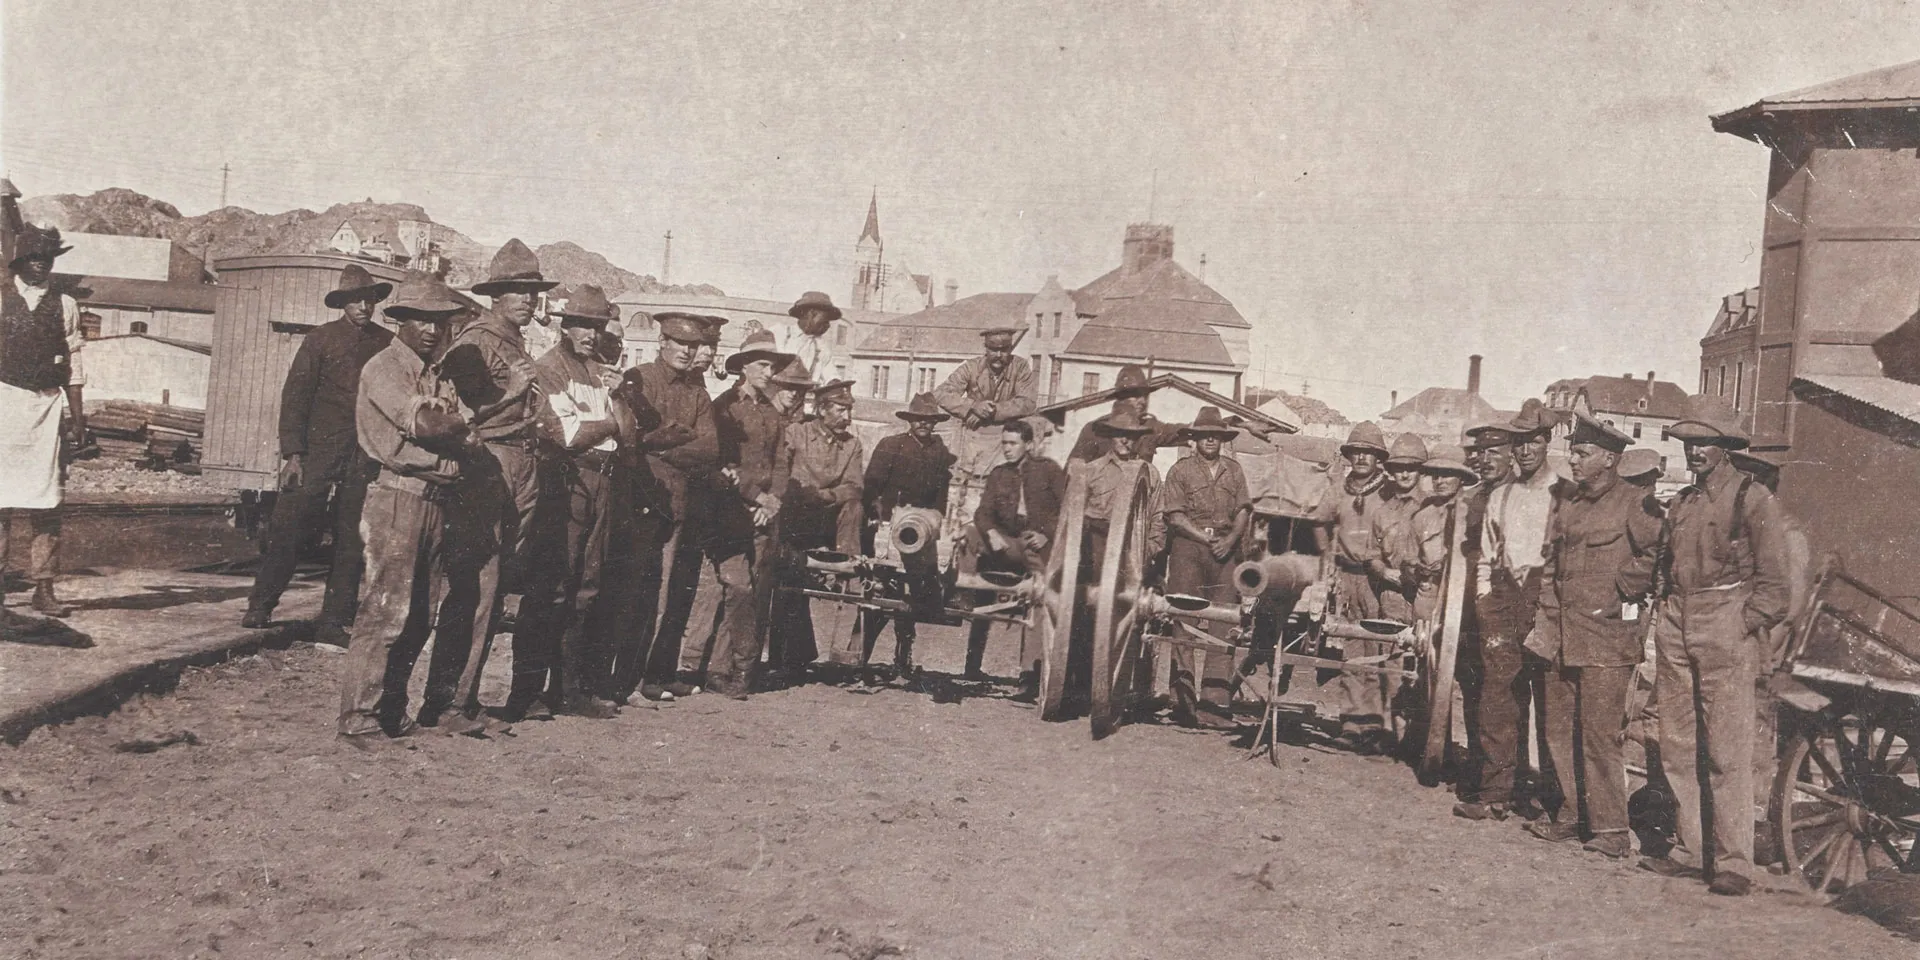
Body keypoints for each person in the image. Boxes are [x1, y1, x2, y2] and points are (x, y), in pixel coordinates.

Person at [1639, 397, 1789, 896]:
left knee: (1727, 749)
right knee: (1679, 745)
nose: (1695, 451)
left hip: (1725, 621)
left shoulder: (1753, 498)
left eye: (1704, 442)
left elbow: (1775, 586)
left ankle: (1733, 862)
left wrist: (1740, 623)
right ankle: (1690, 849)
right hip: (1677, 619)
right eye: (1688, 443)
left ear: (1725, 448)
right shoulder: (1683, 501)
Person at [335, 274, 483, 743]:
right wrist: (461, 425)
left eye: (439, 320)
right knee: (385, 611)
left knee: (419, 615)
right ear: (399, 320)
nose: (431, 329)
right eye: (419, 318)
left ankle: (390, 710)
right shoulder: (385, 368)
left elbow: (457, 431)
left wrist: (457, 427)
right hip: (397, 496)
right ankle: (359, 717)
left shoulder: (438, 374)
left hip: (436, 498)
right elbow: (426, 424)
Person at [1523, 414, 1660, 860]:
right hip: (1561, 635)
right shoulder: (1571, 504)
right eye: (1573, 452)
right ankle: (1569, 814)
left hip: (1606, 638)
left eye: (1581, 454)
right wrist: (1545, 620)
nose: (1573, 460)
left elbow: (1661, 551)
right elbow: (1550, 566)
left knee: (1600, 735)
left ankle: (1611, 828)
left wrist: (1625, 586)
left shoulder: (1636, 503)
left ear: (1609, 458)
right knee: (1558, 729)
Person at [243, 264, 394, 642]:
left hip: (363, 455)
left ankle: (333, 621)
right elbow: (295, 399)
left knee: (350, 539)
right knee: (289, 529)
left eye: (369, 299)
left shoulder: (387, 344)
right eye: (355, 300)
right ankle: (260, 606)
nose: (363, 306)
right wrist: (293, 454)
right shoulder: (320, 340)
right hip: (317, 453)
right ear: (342, 303)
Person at [438, 238, 557, 713]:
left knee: (498, 585)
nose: (527, 300)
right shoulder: (474, 343)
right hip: (490, 464)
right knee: (479, 586)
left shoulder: (514, 341)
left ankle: (463, 700)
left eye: (532, 292)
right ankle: (450, 702)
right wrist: (511, 390)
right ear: (495, 295)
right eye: (516, 291)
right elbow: (463, 413)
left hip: (522, 464)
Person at [509, 285, 631, 720]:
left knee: (588, 588)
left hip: (603, 483)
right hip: (567, 483)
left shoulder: (602, 373)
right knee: (552, 588)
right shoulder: (550, 369)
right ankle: (524, 693)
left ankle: (568, 689)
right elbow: (567, 433)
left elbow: (629, 434)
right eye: (581, 325)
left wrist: (616, 405)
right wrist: (612, 421)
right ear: (565, 325)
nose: (590, 334)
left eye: (597, 326)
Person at [605, 312, 721, 704]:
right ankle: (629, 681)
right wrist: (662, 441)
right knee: (640, 590)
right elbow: (631, 439)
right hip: (644, 501)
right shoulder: (641, 379)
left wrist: (663, 443)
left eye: (692, 345)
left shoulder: (698, 394)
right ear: (662, 342)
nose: (687, 352)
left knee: (675, 590)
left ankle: (657, 674)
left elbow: (710, 449)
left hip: (682, 502)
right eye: (679, 343)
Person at [1456, 399, 1561, 819]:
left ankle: (1550, 798)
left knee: (1550, 702)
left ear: (1547, 441)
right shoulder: (1501, 496)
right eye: (1518, 443)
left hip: (1545, 598)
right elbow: (1484, 557)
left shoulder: (1564, 493)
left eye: (1533, 441)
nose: (1524, 451)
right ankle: (1496, 792)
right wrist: (1484, 598)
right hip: (1502, 600)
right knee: (1498, 698)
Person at [698, 329, 796, 699]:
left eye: (772, 366)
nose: (769, 373)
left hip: (765, 515)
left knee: (754, 593)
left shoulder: (772, 413)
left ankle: (723, 671)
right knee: (738, 587)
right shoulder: (725, 407)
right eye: (761, 365)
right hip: (730, 512)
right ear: (743, 367)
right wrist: (755, 497)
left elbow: (781, 462)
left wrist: (774, 500)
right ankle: (740, 668)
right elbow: (722, 464)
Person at [1, 224, 86, 621]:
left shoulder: (65, 304)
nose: (42, 265)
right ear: (20, 260)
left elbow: (74, 363)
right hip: (3, 402)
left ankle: (44, 588)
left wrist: (77, 417)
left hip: (47, 407)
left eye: (47, 258)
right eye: (35, 257)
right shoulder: (1, 298)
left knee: (47, 500)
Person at [1062, 410, 1165, 711]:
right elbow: (1071, 517)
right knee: (1084, 618)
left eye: (1132, 436)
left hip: (1130, 554)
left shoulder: (1150, 474)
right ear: (1109, 436)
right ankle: (1078, 689)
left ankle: (1117, 691)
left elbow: (1157, 519)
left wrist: (1148, 552)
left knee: (1129, 619)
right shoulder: (1091, 471)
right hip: (1094, 548)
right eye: (1120, 434)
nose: (1125, 440)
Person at [766, 378, 864, 682]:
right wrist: (802, 493)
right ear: (822, 409)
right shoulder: (797, 433)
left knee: (855, 507)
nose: (846, 417)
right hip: (795, 517)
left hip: (829, 521)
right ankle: (789, 658)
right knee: (789, 584)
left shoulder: (852, 444)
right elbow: (782, 471)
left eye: (848, 410)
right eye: (840, 409)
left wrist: (828, 496)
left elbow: (854, 485)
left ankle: (845, 567)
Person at [1160, 407, 1250, 728]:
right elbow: (1175, 516)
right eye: (1204, 434)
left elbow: (1242, 510)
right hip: (1188, 548)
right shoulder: (1180, 471)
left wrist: (1231, 540)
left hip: (1226, 552)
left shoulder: (1234, 471)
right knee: (1183, 617)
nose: (1210, 439)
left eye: (1216, 434)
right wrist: (1204, 537)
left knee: (1224, 623)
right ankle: (1182, 701)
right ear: (1195, 438)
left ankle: (1214, 705)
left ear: (1223, 439)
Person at [859, 392, 956, 679]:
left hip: (920, 530)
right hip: (889, 525)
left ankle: (904, 651)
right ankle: (861, 654)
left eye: (930, 420)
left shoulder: (939, 453)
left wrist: (936, 519)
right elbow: (871, 486)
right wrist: (878, 514)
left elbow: (941, 498)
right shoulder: (891, 446)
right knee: (879, 592)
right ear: (910, 421)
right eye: (919, 419)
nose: (924, 424)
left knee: (915, 592)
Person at [1313, 421, 1396, 750]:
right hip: (1347, 576)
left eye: (1369, 453)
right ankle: (1350, 722)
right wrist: (1328, 558)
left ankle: (1374, 724)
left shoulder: (1388, 490)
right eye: (1357, 452)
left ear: (1378, 459)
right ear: (1349, 456)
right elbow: (1320, 522)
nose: (1362, 458)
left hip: (1379, 579)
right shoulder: (1337, 487)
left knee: (1377, 649)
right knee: (1350, 649)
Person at [966, 418, 1065, 683]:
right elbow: (983, 512)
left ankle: (1029, 674)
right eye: (1004, 443)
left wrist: (1047, 535)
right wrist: (991, 533)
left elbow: (1067, 511)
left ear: (1029, 444)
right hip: (1008, 543)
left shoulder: (1050, 471)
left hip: (1038, 546)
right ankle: (971, 665)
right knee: (975, 555)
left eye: (1013, 443)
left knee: (1040, 596)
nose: (1007, 449)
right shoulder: (999, 474)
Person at [932, 326, 1037, 519]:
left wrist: (991, 411)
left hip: (1002, 443)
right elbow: (941, 393)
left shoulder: (1020, 367)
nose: (998, 355)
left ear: (1010, 349)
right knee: (965, 497)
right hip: (971, 439)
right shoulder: (971, 367)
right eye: (993, 349)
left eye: (1004, 350)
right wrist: (972, 406)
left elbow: (1028, 403)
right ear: (985, 348)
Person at [1066, 364, 1180, 463]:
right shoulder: (1094, 430)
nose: (1143, 401)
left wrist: (1193, 435)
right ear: (1121, 396)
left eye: (1144, 395)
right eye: (1136, 395)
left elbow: (1181, 431)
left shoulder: (1149, 427)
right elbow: (1074, 470)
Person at [1371, 432, 1429, 624]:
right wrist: (1384, 572)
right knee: (1388, 649)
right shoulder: (1382, 512)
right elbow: (1372, 556)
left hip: (1425, 597)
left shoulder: (1432, 508)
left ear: (1421, 470)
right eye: (1399, 468)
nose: (1404, 475)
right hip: (1392, 597)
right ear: (1391, 471)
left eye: (1411, 469)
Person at [776, 291, 842, 382]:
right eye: (825, 320)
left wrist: (835, 382)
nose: (828, 325)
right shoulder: (780, 333)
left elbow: (831, 374)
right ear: (811, 314)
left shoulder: (821, 347)